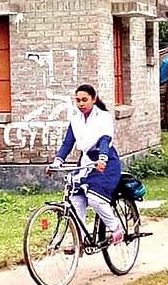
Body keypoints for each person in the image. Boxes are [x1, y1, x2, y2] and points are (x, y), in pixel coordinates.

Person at [48, 84, 124, 245]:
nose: (81, 104)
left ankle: (115, 227)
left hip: (106, 162)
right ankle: (80, 240)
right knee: (76, 198)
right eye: (78, 100)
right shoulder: (76, 120)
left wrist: (102, 158)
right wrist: (56, 162)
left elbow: (105, 139)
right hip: (86, 162)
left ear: (93, 99)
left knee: (94, 197)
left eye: (84, 100)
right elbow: (67, 143)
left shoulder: (103, 117)